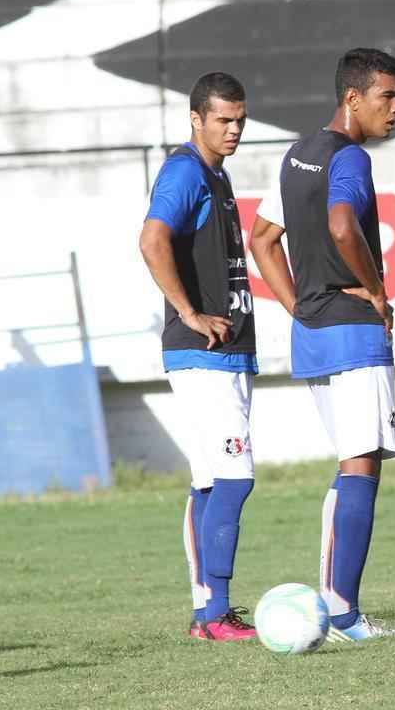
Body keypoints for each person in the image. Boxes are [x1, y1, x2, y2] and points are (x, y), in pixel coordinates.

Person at [249, 48, 395, 641]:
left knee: (348, 465)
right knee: (361, 467)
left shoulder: (298, 154)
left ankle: (333, 601)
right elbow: (343, 226)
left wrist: (299, 307)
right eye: (386, 96)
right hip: (351, 332)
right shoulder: (350, 159)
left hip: (313, 334)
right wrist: (375, 291)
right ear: (352, 98)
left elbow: (263, 240)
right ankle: (344, 614)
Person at [139, 72, 258, 641]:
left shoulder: (217, 173)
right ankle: (217, 614)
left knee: (211, 480)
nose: (234, 129)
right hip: (203, 353)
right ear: (196, 119)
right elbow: (151, 239)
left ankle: (205, 611)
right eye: (223, 120)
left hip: (222, 354)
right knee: (235, 477)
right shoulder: (186, 170)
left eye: (239, 119)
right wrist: (188, 312)